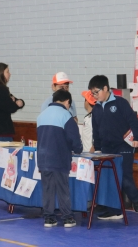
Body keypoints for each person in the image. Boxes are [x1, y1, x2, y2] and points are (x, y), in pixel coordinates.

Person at [88, 75, 138, 219]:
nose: (94, 95)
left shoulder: (120, 103)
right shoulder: (96, 109)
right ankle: (114, 210)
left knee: (124, 176)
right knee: (110, 178)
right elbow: (96, 130)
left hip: (123, 146)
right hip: (106, 148)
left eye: (96, 92)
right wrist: (98, 148)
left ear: (105, 88)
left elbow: (133, 120)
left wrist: (137, 137)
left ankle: (136, 198)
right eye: (92, 93)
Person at [37, 89, 83, 228]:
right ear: (67, 101)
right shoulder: (66, 115)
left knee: (47, 189)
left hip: (43, 159)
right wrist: (78, 149)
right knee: (63, 188)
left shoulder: (41, 115)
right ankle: (67, 218)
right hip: (59, 158)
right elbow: (74, 138)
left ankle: (49, 218)